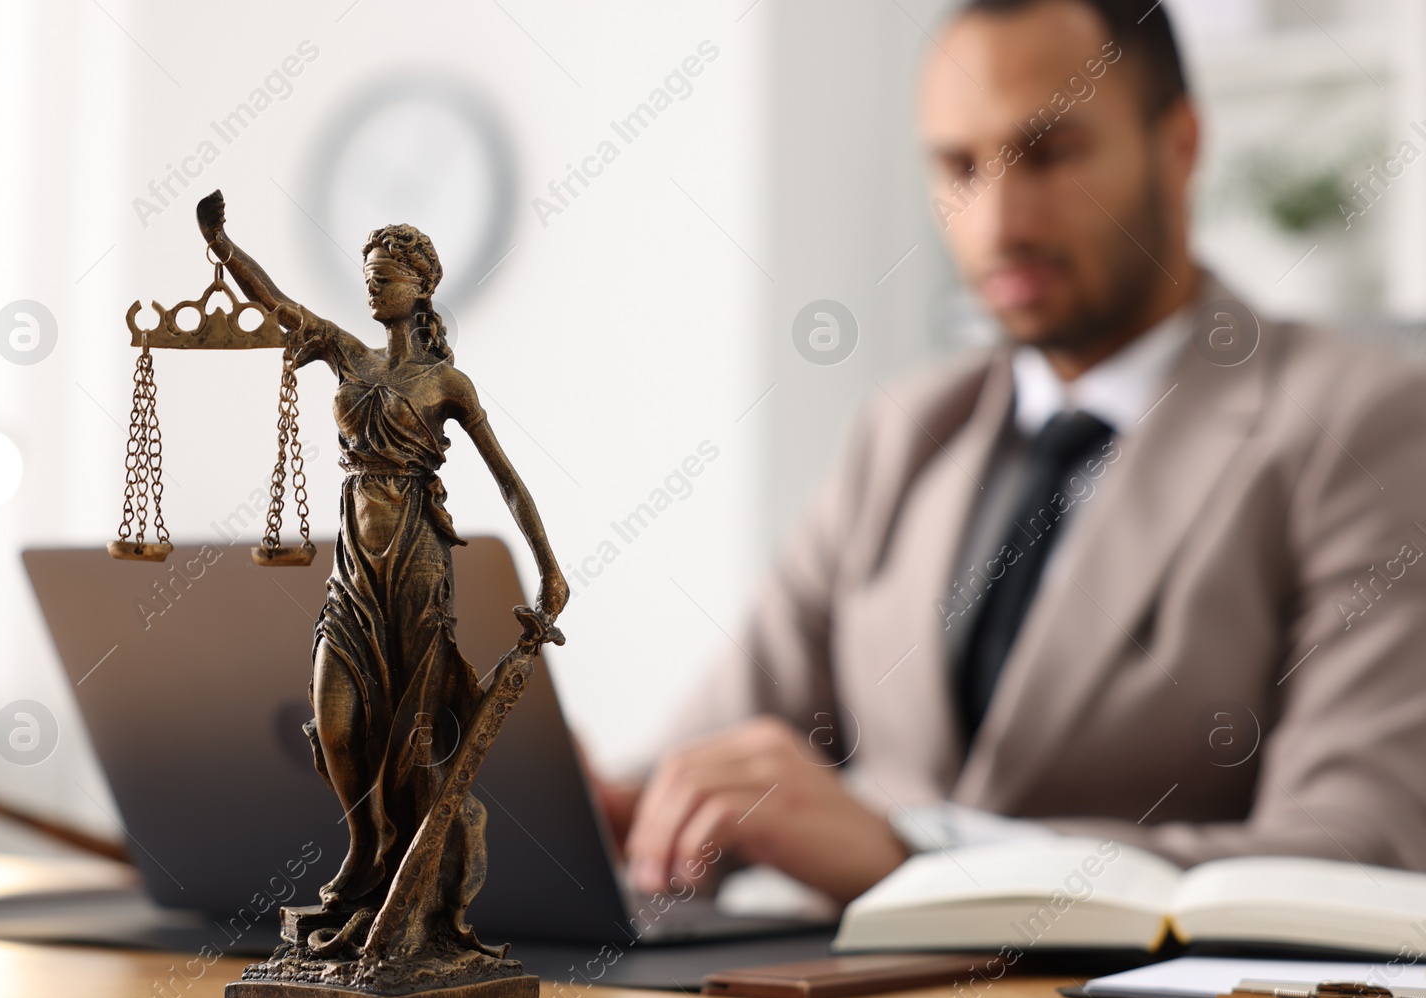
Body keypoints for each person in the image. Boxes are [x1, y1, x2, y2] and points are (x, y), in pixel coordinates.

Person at [608, 0, 1426, 905]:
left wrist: (919, 859)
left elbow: (1358, 847)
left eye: (1050, 153)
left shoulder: (1368, 422)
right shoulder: (905, 431)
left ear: (1181, 144)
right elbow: (709, 758)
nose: (999, 222)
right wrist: (580, 802)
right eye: (960, 165)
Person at [197, 192, 568, 959]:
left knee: (412, 735)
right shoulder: (344, 351)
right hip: (354, 572)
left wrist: (550, 568)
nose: (372, 286)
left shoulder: (447, 386)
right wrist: (221, 245)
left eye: (388, 275)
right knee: (336, 721)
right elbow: (275, 304)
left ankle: (413, 896)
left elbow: (507, 480)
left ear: (422, 286)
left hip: (418, 568)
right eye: (367, 274)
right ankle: (369, 843)